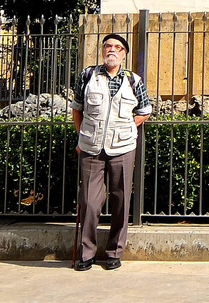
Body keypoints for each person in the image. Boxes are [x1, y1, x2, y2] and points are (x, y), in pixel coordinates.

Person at [71, 32, 151, 270]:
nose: (111, 50)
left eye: (117, 47)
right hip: (91, 147)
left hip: (123, 148)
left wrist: (126, 128)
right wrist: (80, 136)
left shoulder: (134, 80)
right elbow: (77, 109)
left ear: (124, 53)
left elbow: (145, 110)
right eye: (108, 46)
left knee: (120, 199)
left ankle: (114, 252)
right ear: (103, 50)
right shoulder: (88, 75)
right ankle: (87, 253)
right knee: (89, 201)